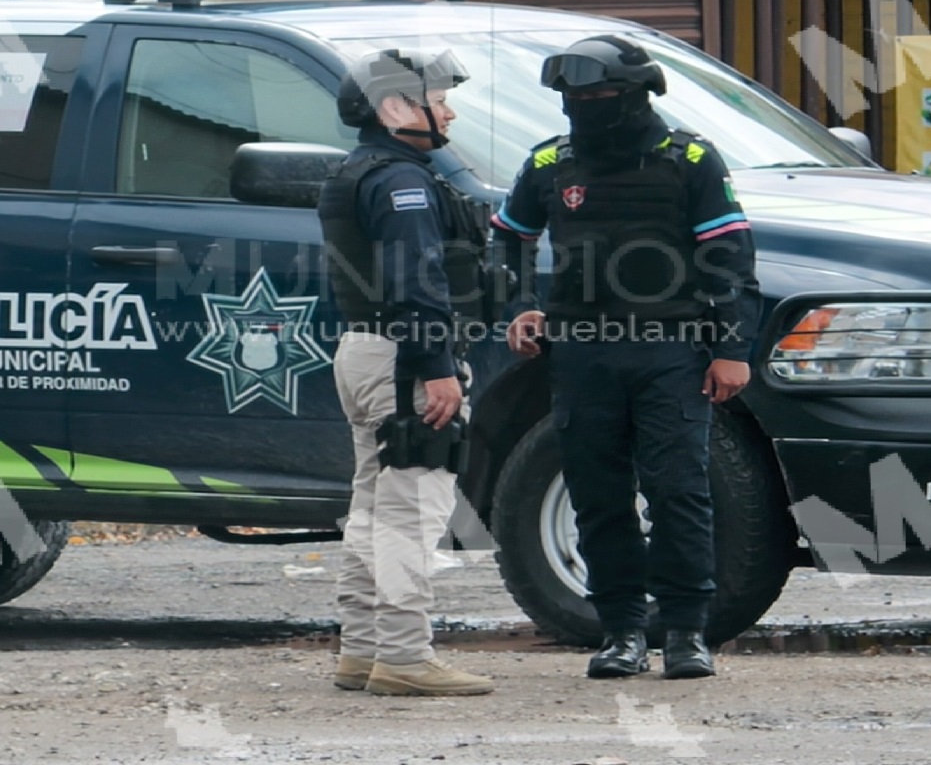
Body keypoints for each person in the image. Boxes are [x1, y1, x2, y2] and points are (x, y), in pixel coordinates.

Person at [489, 34, 762, 681]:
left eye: (600, 96)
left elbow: (730, 258)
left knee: (678, 491)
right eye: (573, 98)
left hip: (671, 349)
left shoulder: (688, 157)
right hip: (582, 353)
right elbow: (505, 240)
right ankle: (620, 631)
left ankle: (687, 631)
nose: (585, 107)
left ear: (637, 95)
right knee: (597, 493)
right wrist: (519, 306)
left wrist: (731, 350)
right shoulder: (551, 162)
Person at [317, 47, 496, 697]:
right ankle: (403, 656)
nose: (447, 109)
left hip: (366, 352)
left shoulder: (357, 172)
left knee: (371, 508)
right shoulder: (403, 182)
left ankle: (361, 651)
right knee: (410, 513)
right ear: (395, 108)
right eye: (436, 97)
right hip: (404, 360)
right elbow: (413, 281)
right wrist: (437, 367)